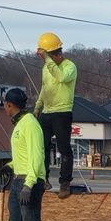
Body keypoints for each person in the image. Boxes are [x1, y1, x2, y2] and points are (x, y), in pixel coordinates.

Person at [0, 88, 52, 221]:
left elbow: (37, 156)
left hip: (30, 182)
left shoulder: (30, 124)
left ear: (9, 105)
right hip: (18, 179)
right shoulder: (20, 124)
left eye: (5, 104)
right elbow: (23, 157)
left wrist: (29, 184)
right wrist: (10, 166)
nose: (4, 108)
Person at [33, 32, 78, 200]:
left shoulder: (69, 67)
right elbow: (45, 88)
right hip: (47, 111)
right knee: (41, 146)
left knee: (64, 148)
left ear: (55, 53)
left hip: (62, 112)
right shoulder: (46, 68)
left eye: (46, 56)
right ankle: (43, 178)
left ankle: (65, 183)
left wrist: (48, 60)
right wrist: (38, 106)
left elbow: (61, 77)